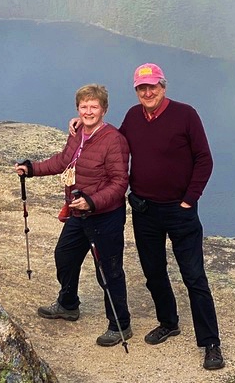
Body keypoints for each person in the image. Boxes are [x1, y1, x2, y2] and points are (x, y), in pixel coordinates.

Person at [70, 63, 225, 370]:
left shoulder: (186, 115)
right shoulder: (132, 117)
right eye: (142, 88)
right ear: (136, 91)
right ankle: (168, 322)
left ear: (163, 87)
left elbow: (204, 159)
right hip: (144, 209)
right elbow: (113, 140)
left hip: (179, 210)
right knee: (153, 272)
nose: (148, 92)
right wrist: (82, 125)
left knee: (194, 277)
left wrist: (189, 199)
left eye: (152, 86)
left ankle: (211, 343)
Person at [15, 83, 132, 348]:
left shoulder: (114, 140)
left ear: (104, 110)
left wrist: (91, 202)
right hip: (78, 213)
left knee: (108, 271)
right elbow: (63, 161)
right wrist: (31, 169)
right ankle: (68, 304)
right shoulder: (77, 133)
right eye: (84, 106)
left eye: (94, 106)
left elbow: (119, 183)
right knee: (65, 256)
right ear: (78, 109)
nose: (88, 111)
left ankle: (120, 325)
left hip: (104, 216)